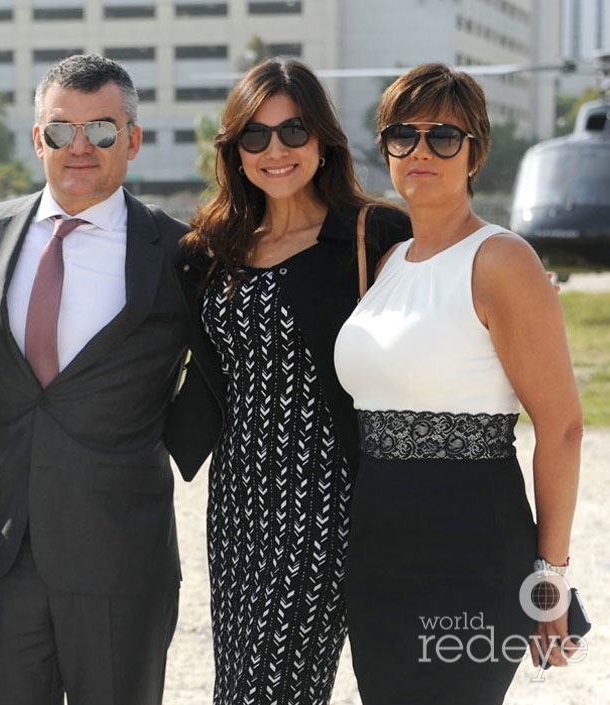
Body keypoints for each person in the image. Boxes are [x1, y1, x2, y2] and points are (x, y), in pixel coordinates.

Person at [334, 63, 583, 704]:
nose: (421, 151)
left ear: (474, 153)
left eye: (444, 136)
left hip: (469, 551)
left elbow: (561, 428)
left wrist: (549, 580)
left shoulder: (502, 260)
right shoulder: (389, 261)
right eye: (403, 135)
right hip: (376, 548)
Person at [165, 58, 412, 704]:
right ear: (235, 150)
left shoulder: (372, 233)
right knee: (238, 683)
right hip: (239, 501)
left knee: (270, 689)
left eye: (293, 131)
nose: (276, 150)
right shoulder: (208, 250)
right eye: (256, 136)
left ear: (323, 139)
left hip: (327, 502)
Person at [0, 53, 188, 705]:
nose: (79, 146)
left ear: (132, 139)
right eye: (60, 130)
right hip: (4, 555)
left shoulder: (179, 251)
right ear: (37, 140)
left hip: (121, 556)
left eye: (102, 130)